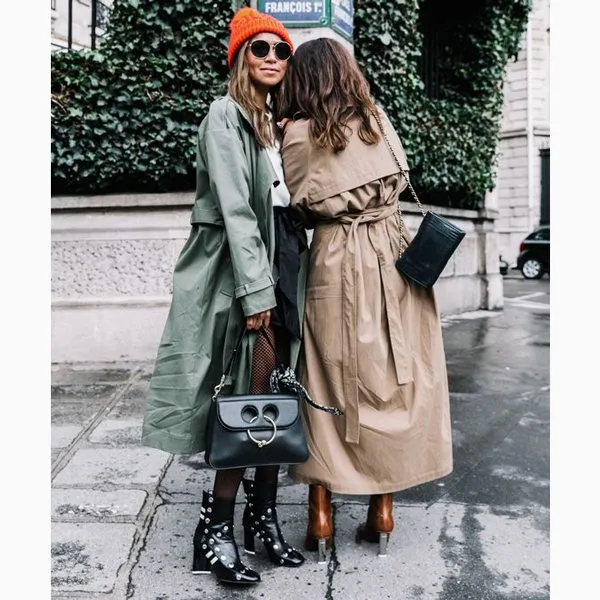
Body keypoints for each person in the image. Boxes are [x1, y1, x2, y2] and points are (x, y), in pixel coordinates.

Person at [142, 8, 309, 586]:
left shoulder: (275, 124)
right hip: (245, 267)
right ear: (240, 57)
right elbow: (237, 210)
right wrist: (255, 289)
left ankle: (263, 518)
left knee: (276, 393)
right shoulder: (225, 116)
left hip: (285, 261)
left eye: (281, 50)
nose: (272, 57)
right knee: (250, 393)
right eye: (259, 48)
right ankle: (214, 530)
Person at [278, 38, 454, 562]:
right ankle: (383, 509)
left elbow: (300, 207)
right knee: (397, 377)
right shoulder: (377, 121)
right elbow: (400, 180)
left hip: (335, 258)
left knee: (326, 377)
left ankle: (320, 513)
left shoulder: (298, 134)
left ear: (303, 80)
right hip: (394, 255)